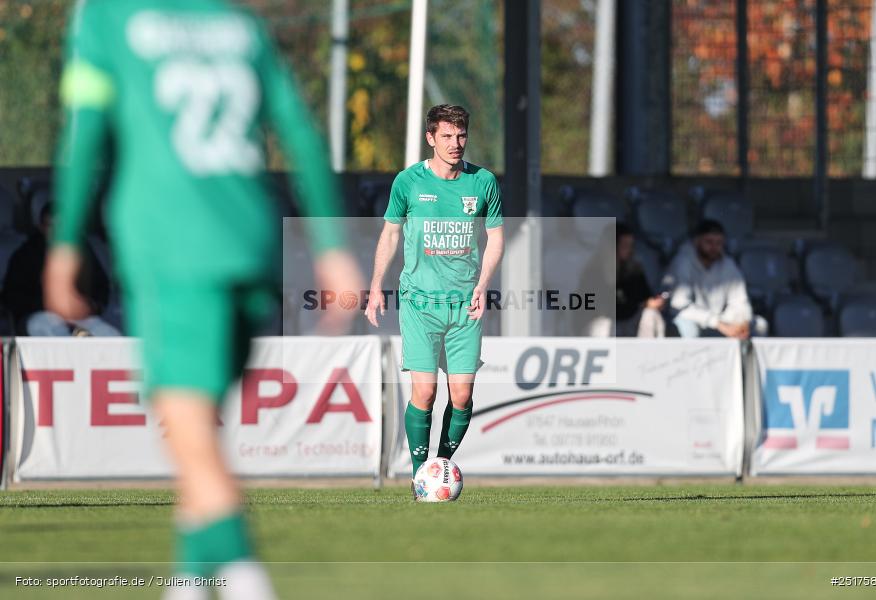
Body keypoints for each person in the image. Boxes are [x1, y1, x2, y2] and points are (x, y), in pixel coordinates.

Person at [46, 1, 362, 598]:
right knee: (199, 438)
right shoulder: (240, 25)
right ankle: (189, 583)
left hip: (172, 244)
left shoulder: (107, 17)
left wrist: (65, 243)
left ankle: (246, 579)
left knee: (187, 432)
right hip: (250, 243)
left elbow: (85, 131)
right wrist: (331, 247)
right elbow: (299, 133)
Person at [364, 105, 504, 496]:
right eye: (446, 136)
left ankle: (440, 467)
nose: (455, 143)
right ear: (430, 138)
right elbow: (391, 233)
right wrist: (375, 285)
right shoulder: (408, 182)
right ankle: (419, 476)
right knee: (424, 393)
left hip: (465, 305)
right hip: (419, 303)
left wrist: (483, 284)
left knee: (462, 395)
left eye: (461, 136)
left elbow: (496, 237)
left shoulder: (483, 182)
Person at [4, 200, 119, 336]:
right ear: (42, 227)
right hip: (39, 316)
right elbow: (14, 297)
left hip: (78, 315)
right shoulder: (26, 255)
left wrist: (92, 305)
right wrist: (51, 305)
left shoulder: (81, 250)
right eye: (51, 226)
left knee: (108, 334)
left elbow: (100, 285)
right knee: (46, 327)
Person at [667, 219, 764, 339]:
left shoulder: (728, 264)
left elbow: (740, 300)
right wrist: (717, 323)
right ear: (697, 241)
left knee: (759, 325)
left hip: (719, 321)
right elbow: (680, 306)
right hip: (693, 319)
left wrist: (743, 321)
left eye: (719, 243)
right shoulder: (682, 262)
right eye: (709, 242)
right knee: (688, 327)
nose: (714, 247)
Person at [579, 223, 665, 337]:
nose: (630, 250)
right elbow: (602, 309)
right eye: (625, 245)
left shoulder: (634, 268)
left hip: (630, 323)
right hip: (604, 326)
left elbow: (645, 298)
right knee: (604, 325)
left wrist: (653, 303)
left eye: (631, 245)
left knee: (651, 315)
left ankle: (648, 349)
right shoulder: (594, 272)